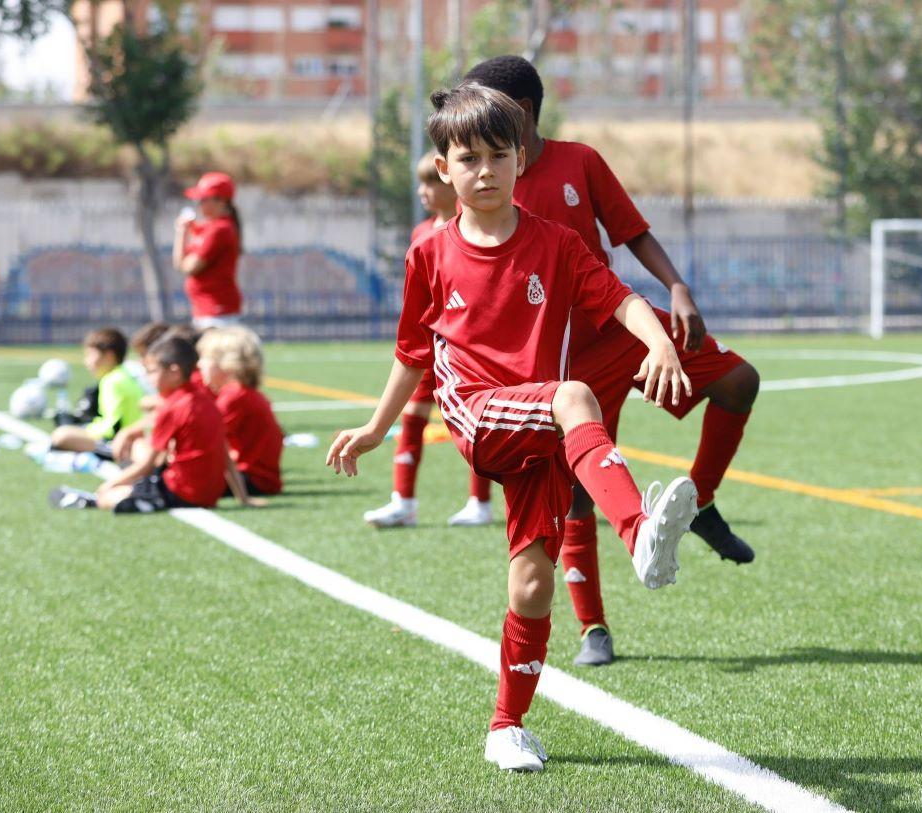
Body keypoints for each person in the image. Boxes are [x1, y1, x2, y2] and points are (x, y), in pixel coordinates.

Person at [327, 84, 699, 773]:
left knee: (531, 584)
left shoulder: (555, 243)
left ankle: (507, 725)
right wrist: (379, 427)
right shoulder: (430, 257)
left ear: (521, 158)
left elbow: (621, 300)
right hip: (476, 409)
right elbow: (412, 354)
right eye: (468, 157)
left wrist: (660, 342)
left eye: (499, 154)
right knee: (575, 394)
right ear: (444, 169)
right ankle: (638, 531)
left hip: (542, 430)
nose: (485, 169)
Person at [464, 55, 762, 667]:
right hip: (563, 359)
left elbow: (631, 231)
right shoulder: (487, 182)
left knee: (738, 380)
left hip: (624, 323)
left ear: (520, 114)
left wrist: (677, 287)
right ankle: (592, 628)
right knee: (576, 495)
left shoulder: (581, 161)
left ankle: (700, 501)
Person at [363, 152, 496, 528]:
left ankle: (480, 502)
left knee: (476, 426)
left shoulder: (471, 226)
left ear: (451, 179)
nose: (423, 192)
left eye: (430, 183)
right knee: (411, 420)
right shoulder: (421, 233)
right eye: (421, 183)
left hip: (465, 347)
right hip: (429, 345)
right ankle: (403, 501)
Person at [50, 335, 254, 513]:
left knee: (112, 494)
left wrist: (107, 486)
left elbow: (147, 466)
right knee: (141, 454)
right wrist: (243, 498)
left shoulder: (172, 407)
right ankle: (142, 497)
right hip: (211, 495)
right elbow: (225, 454)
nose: (148, 379)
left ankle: (102, 501)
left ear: (174, 371)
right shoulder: (206, 400)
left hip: (184, 492)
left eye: (152, 371)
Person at [197, 327, 284, 496]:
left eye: (205, 358)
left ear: (226, 363)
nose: (199, 364)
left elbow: (204, 441)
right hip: (258, 477)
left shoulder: (234, 397)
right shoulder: (241, 393)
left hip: (252, 479)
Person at [50, 328, 145, 454]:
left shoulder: (113, 381)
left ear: (109, 356)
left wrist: (86, 429)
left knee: (62, 435)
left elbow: (112, 428)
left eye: (90, 355)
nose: (86, 362)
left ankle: (108, 452)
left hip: (121, 442)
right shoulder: (121, 375)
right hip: (130, 438)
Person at [173, 172, 243, 330]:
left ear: (221, 200)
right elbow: (180, 264)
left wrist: (182, 234)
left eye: (204, 199)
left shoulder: (220, 229)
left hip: (217, 312)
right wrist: (183, 232)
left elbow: (189, 267)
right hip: (206, 310)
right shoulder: (210, 228)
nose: (199, 204)